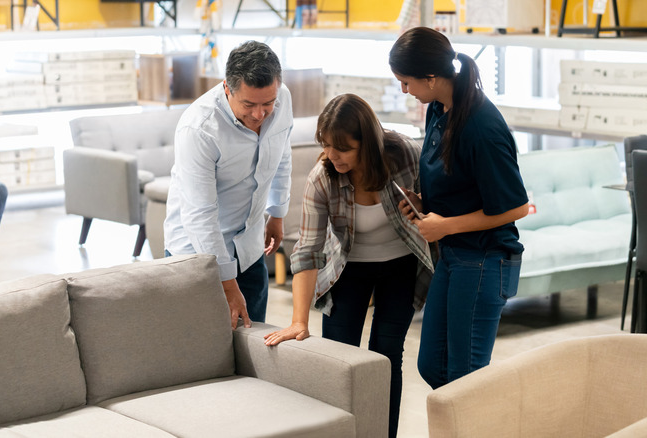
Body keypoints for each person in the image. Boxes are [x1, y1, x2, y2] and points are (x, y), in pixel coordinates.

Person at [263, 93, 434, 438]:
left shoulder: (405, 154)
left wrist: (422, 206)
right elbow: (308, 250)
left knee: (385, 357)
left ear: (367, 143)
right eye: (326, 145)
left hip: (401, 265)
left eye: (343, 147)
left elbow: (435, 207)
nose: (332, 155)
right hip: (347, 268)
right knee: (338, 359)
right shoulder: (322, 178)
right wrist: (298, 321)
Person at [388, 27, 530, 389]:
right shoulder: (439, 107)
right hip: (453, 256)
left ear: (432, 78)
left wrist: (446, 225)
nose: (405, 90)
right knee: (433, 367)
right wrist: (424, 205)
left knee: (465, 379)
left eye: (407, 82)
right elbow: (455, 180)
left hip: (485, 260)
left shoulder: (482, 127)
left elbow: (516, 207)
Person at [164, 40, 294, 329]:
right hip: (197, 254)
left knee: (252, 343)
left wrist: (277, 213)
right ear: (227, 88)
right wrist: (227, 283)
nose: (260, 114)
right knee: (203, 350)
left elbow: (282, 156)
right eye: (249, 104)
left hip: (248, 247)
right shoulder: (198, 129)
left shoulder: (281, 97)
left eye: (267, 104)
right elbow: (201, 215)